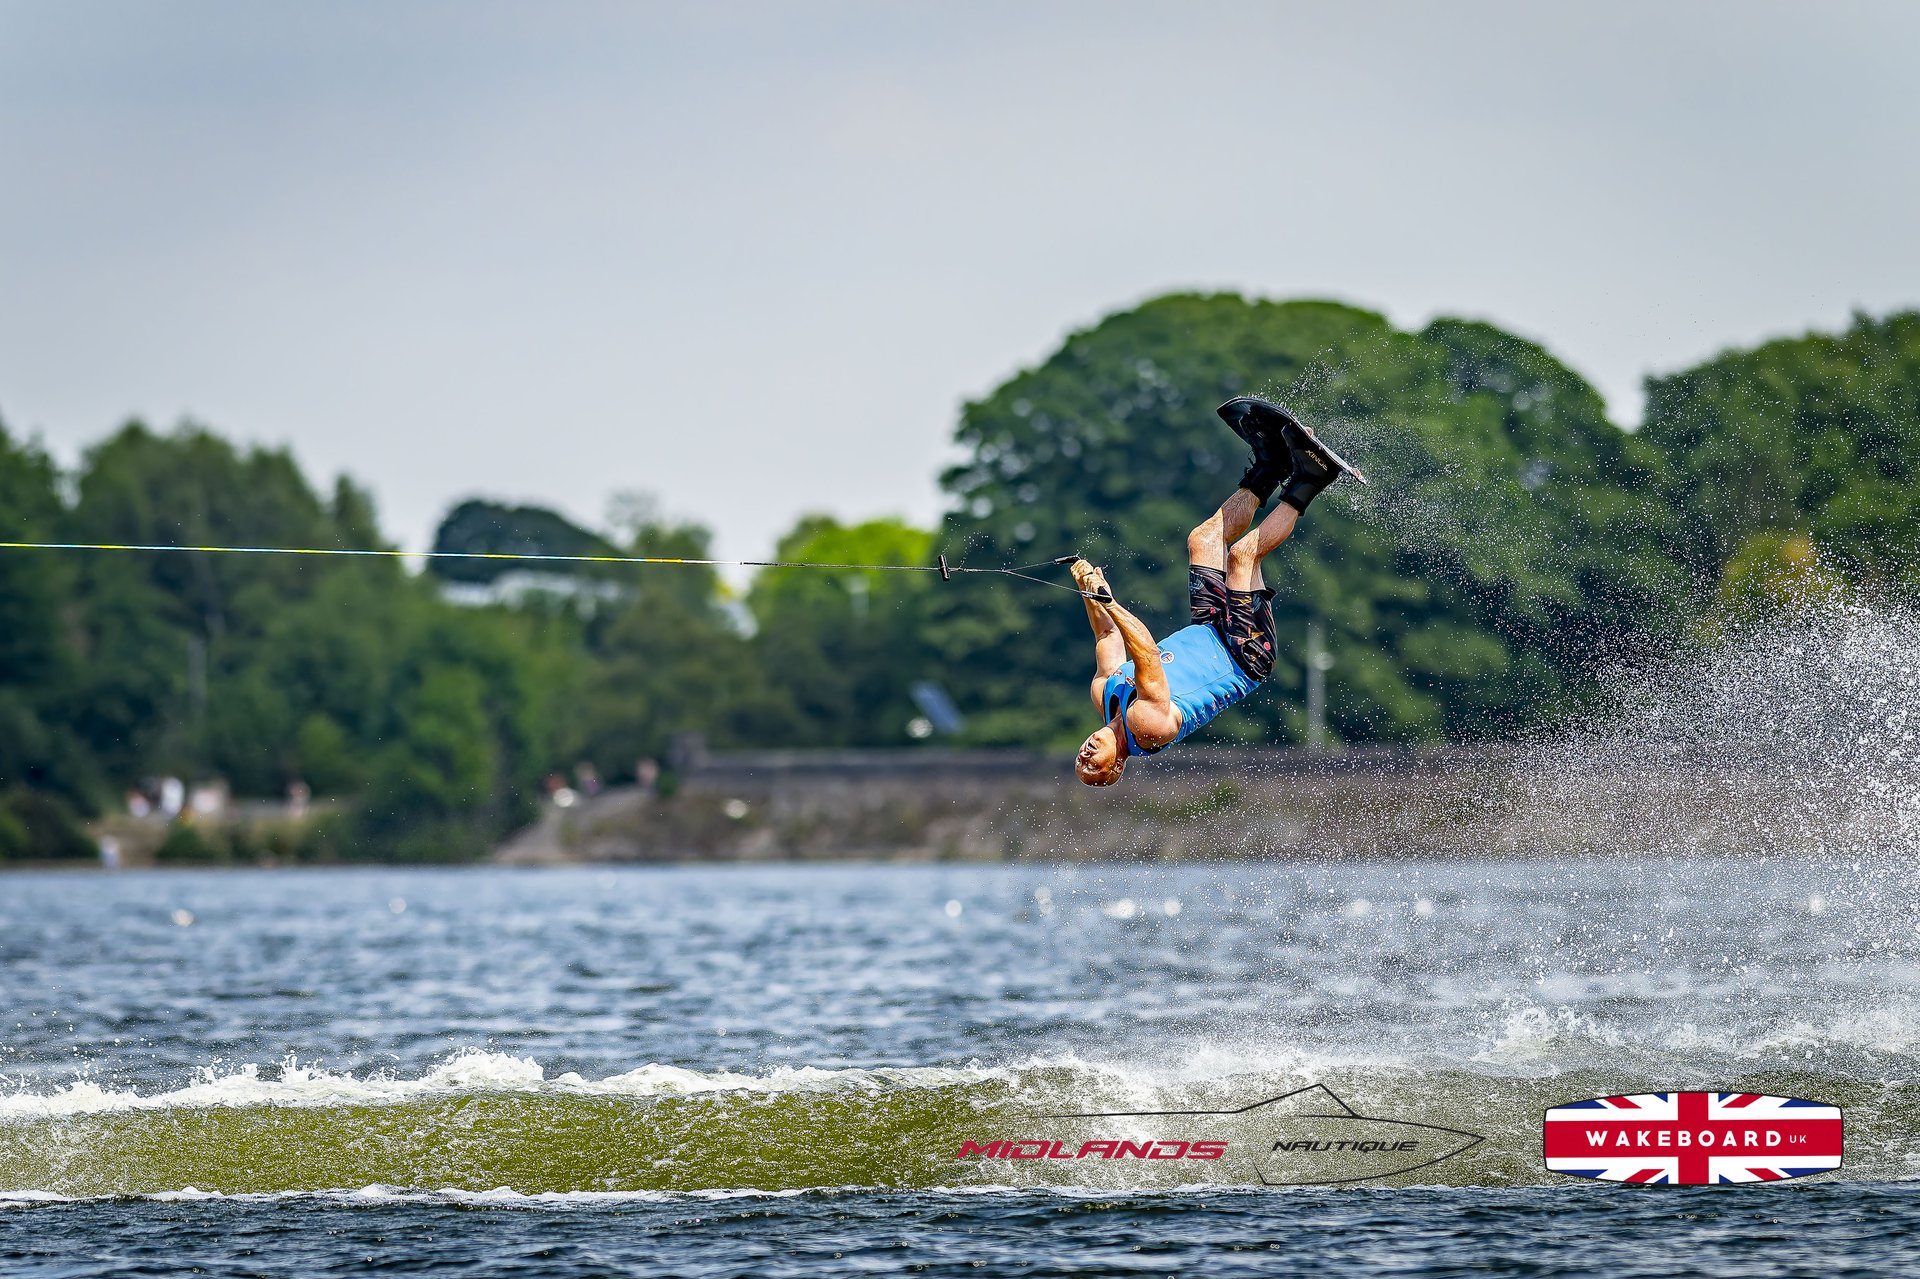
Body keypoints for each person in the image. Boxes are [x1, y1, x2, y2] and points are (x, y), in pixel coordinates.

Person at [1072, 397, 1359, 786]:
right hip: (1243, 653)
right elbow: (1147, 656)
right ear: (1117, 766)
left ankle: (1269, 466)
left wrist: (1090, 593)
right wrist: (1111, 601)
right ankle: (1312, 478)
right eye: (1093, 766)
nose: (1085, 755)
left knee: (1203, 539)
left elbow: (1107, 634)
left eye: (1080, 761)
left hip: (1208, 629)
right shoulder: (1149, 728)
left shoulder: (1104, 696)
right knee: (1242, 557)